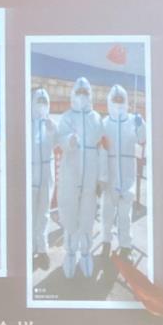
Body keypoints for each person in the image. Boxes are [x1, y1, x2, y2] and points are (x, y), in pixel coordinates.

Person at [53, 76, 102, 279]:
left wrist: (102, 177)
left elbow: (102, 147)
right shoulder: (66, 117)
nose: (82, 96)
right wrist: (69, 140)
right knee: (70, 213)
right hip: (71, 172)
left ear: (90, 95)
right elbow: (60, 139)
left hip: (90, 174)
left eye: (85, 92)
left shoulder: (96, 118)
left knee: (88, 214)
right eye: (79, 92)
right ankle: (70, 253)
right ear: (73, 94)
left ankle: (86, 253)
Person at [99, 83, 145, 258]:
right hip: (109, 176)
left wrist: (141, 125)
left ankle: (125, 246)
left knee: (125, 215)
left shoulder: (133, 121)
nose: (118, 103)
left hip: (127, 176)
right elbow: (101, 151)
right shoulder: (104, 123)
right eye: (115, 99)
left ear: (126, 101)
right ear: (109, 101)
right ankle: (106, 242)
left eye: (121, 99)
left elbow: (142, 139)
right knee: (107, 213)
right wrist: (101, 177)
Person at [29, 87, 56, 273]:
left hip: (47, 171)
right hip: (31, 170)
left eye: (44, 102)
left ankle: (42, 250)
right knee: (31, 213)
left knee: (44, 213)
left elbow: (62, 141)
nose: (41, 105)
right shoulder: (26, 125)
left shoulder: (51, 125)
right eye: (38, 101)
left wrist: (53, 130)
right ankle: (30, 249)